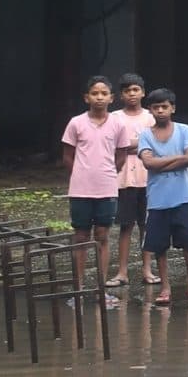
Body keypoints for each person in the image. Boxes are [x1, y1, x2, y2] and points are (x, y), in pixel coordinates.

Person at [60, 76, 126, 297]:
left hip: (107, 188)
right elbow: (67, 156)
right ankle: (77, 288)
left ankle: (101, 288)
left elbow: (121, 155)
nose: (99, 97)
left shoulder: (118, 124)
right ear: (86, 97)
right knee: (80, 237)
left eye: (104, 93)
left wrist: (106, 174)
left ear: (111, 98)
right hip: (80, 189)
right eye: (95, 93)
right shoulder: (76, 123)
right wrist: (81, 174)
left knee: (102, 235)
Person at [134, 88, 188, 308]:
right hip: (157, 200)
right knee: (160, 246)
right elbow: (148, 164)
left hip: (184, 198)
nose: (161, 111)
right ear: (150, 109)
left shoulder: (184, 130)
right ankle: (165, 287)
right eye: (156, 107)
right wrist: (177, 158)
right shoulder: (145, 134)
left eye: (165, 106)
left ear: (172, 108)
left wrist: (161, 161)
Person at [109, 74, 158, 297]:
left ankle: (147, 269)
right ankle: (122, 272)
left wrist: (129, 145)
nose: (131, 94)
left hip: (148, 178)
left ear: (143, 93)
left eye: (136, 90)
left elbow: (156, 142)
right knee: (125, 226)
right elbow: (112, 145)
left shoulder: (150, 117)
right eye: (127, 90)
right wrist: (137, 145)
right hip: (123, 179)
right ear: (121, 95)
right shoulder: (114, 118)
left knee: (146, 224)